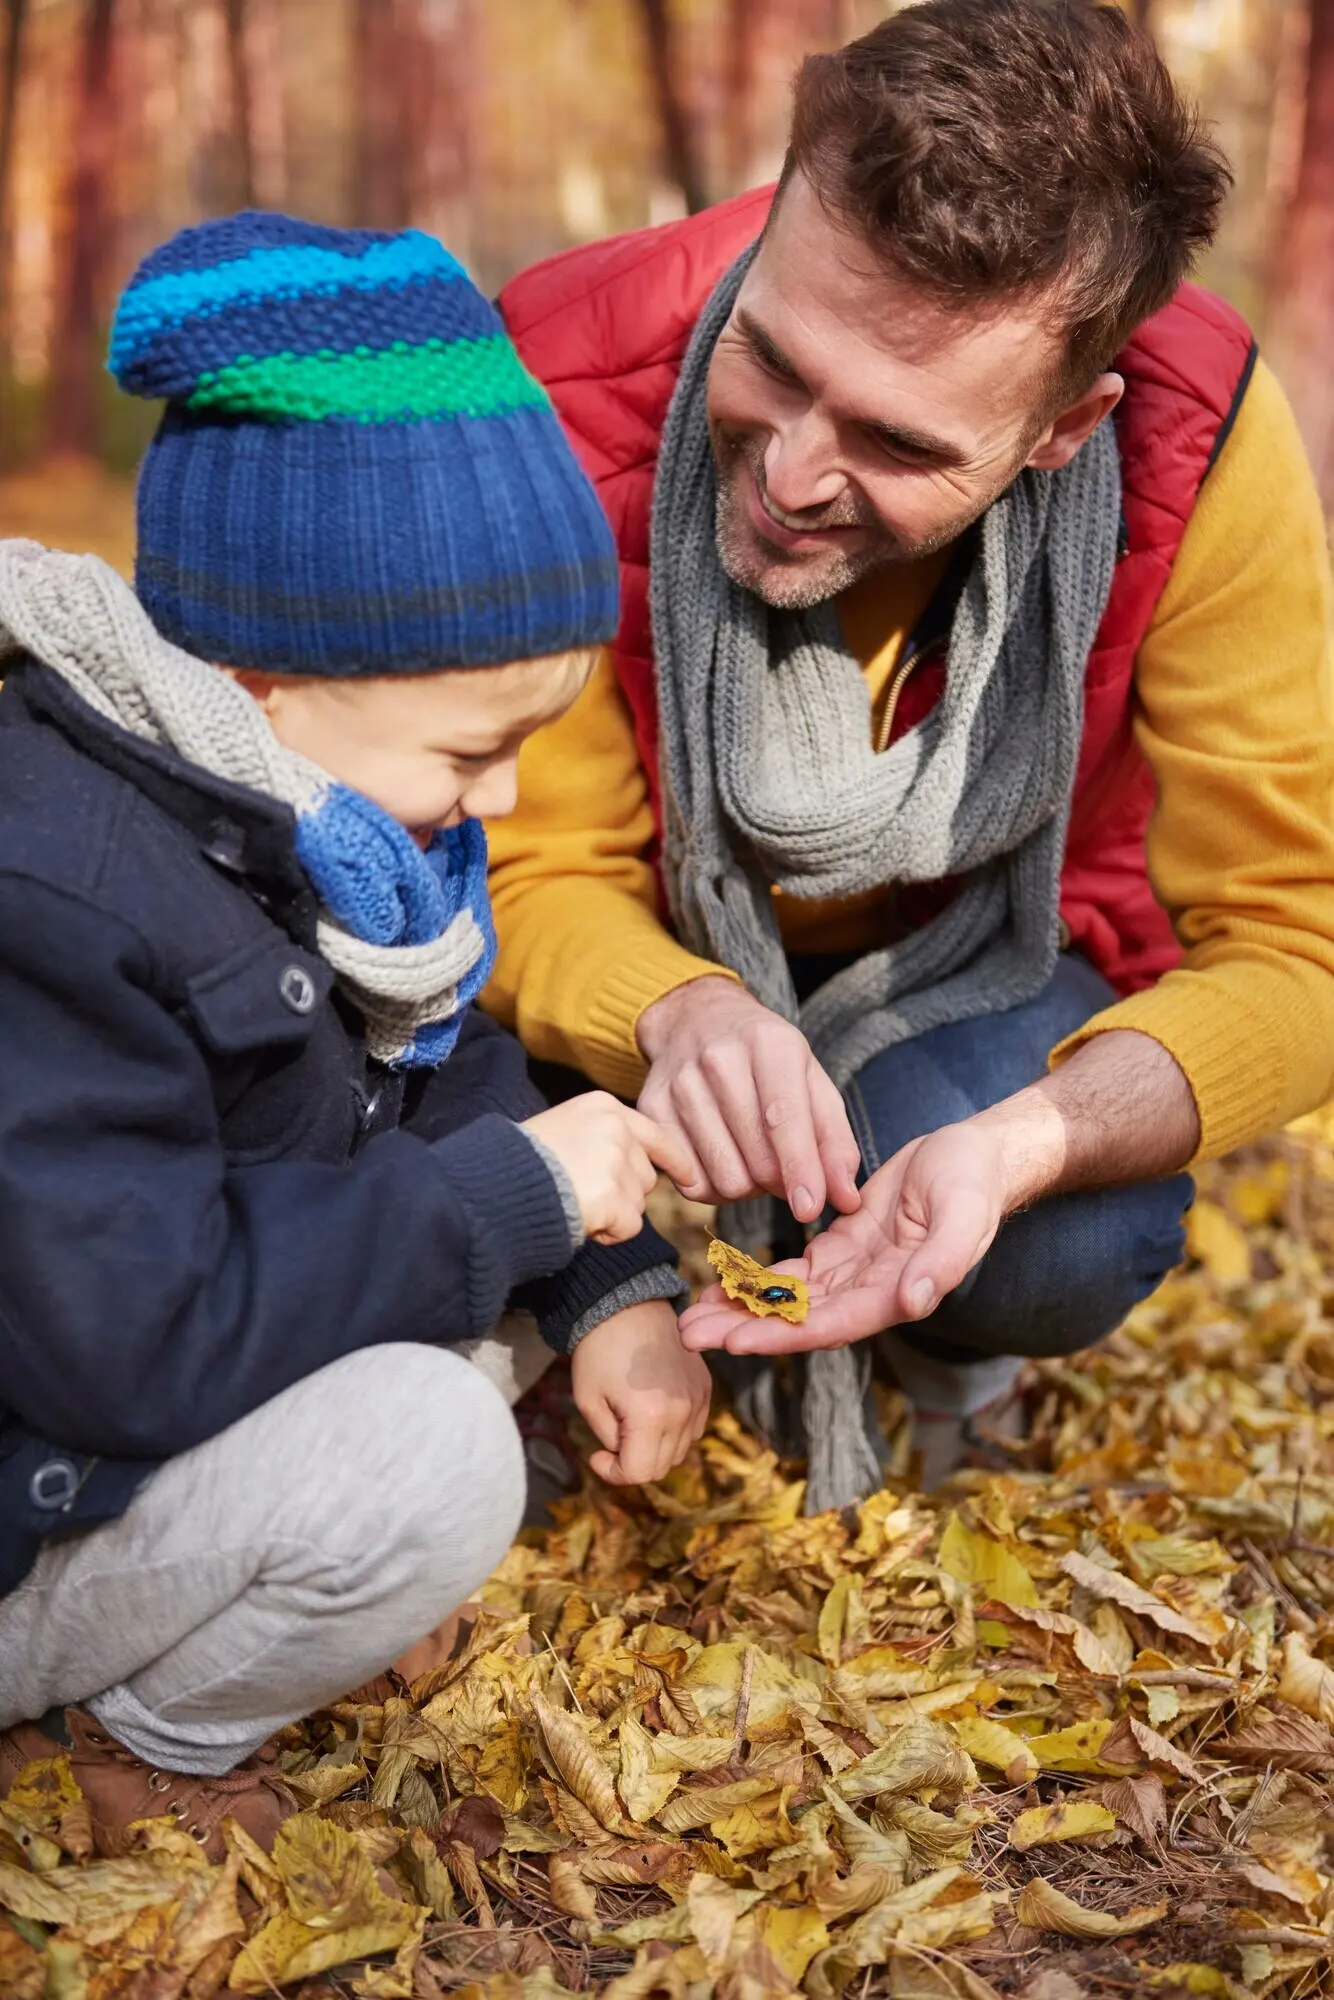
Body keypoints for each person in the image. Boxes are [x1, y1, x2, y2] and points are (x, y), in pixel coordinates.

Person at [484, 0, 1334, 1503]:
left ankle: (936, 1337)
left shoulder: (1200, 446)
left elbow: (1298, 941)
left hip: (972, 967)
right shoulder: (561, 379)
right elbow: (518, 858)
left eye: (897, 442)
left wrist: (1022, 1147)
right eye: (771, 359)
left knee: (1070, 1233)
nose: (796, 471)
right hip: (630, 948)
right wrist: (675, 1012)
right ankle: (557, 1309)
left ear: (1066, 427)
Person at [0, 213, 711, 1855]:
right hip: (41, 1478)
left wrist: (603, 1280)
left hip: (137, 1402)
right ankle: (142, 1735)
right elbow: (128, 1344)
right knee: (441, 1446)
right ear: (265, 675)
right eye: (474, 751)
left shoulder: (306, 817)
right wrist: (520, 1204)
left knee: (496, 1303)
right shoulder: (60, 890)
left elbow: (430, 1062)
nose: (508, 799)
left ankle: (249, 1597)